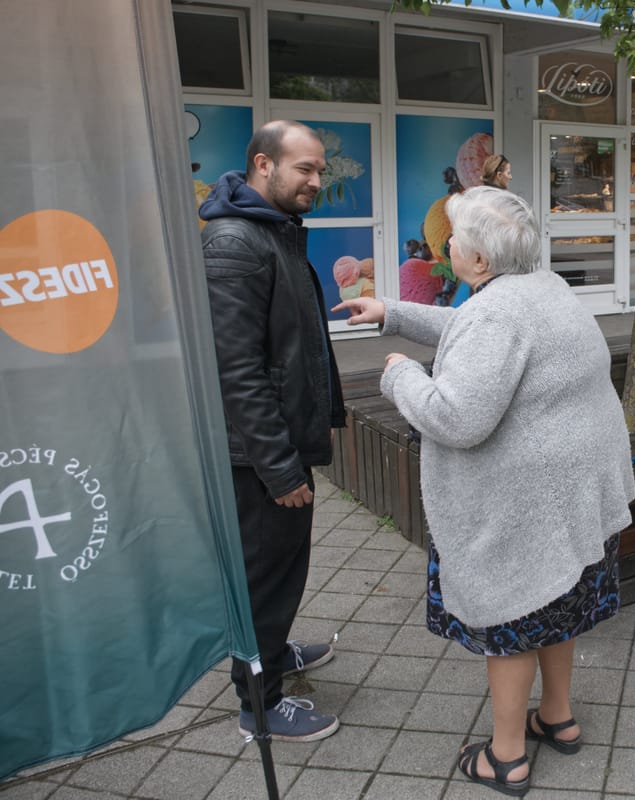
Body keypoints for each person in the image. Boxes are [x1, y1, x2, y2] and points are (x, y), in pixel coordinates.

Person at [333, 186, 635, 797]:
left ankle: (507, 758)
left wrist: (400, 375)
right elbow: (472, 327)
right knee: (558, 607)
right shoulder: (546, 289)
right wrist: (392, 311)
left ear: (478, 262)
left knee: (514, 618)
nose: (446, 251)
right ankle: (558, 717)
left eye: (455, 244)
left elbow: (456, 418)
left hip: (526, 510)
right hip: (574, 502)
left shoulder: (497, 313)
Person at [199, 120, 346, 742]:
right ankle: (258, 706)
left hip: (278, 445)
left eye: (320, 170)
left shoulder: (273, 231)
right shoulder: (236, 242)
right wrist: (280, 467)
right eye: (304, 169)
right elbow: (236, 371)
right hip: (256, 460)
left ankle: (275, 653)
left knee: (284, 567)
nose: (316, 181)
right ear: (263, 165)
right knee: (264, 578)